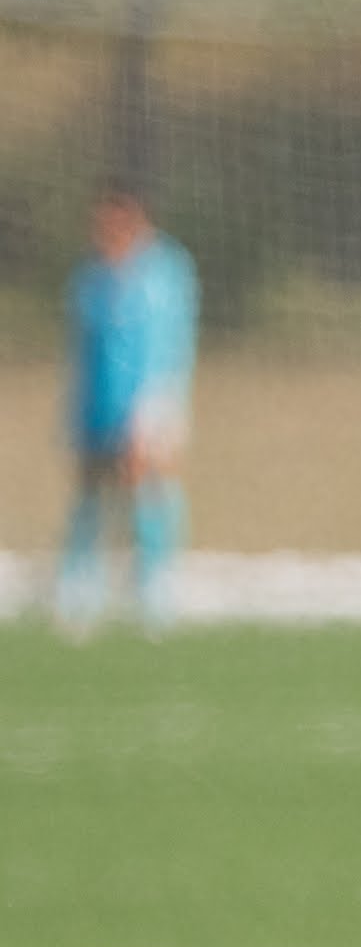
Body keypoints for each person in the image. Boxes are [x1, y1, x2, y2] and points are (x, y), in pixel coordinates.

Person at [56, 183, 197, 642]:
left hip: (151, 398)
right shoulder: (91, 276)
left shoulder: (164, 273)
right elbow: (83, 345)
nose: (106, 232)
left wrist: (152, 410)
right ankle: (83, 581)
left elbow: (167, 345)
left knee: (147, 480)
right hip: (98, 398)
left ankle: (155, 580)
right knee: (91, 485)